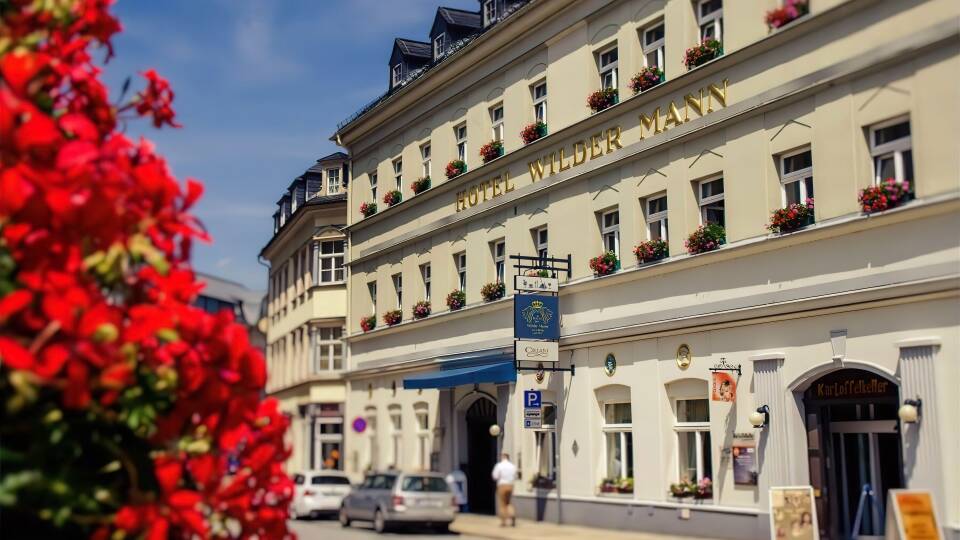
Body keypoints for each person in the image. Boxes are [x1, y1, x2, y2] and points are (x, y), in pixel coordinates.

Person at [491, 453, 517, 527]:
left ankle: (503, 521)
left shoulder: (499, 465)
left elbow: (495, 476)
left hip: (502, 485)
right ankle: (512, 515)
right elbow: (515, 476)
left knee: (502, 503)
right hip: (510, 485)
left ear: (502, 457)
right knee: (508, 502)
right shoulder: (512, 466)